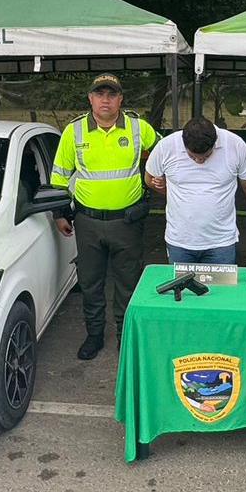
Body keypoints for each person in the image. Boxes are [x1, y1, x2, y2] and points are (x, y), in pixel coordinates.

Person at [50, 73, 158, 360]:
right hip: (87, 223)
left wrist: (158, 178)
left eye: (112, 94)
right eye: (100, 94)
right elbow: (59, 177)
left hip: (128, 222)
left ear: (121, 98)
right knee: (91, 283)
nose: (106, 100)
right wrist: (60, 213)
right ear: (91, 98)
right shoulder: (74, 132)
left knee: (128, 282)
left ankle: (125, 336)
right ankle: (94, 335)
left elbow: (165, 154)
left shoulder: (139, 128)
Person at [144, 117, 246, 265]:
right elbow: (149, 179)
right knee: (182, 288)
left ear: (216, 142)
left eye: (206, 156)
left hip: (222, 241)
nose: (199, 161)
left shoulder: (235, 145)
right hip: (179, 241)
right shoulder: (166, 146)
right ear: (183, 143)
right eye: (192, 157)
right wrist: (166, 190)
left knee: (222, 288)